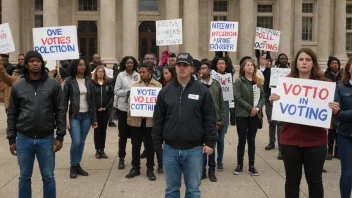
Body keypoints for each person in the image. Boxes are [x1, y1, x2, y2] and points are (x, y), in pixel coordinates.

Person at [269, 48, 340, 198]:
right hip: (290, 141)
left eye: (308, 60)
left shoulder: (324, 85)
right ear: (296, 63)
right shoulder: (286, 84)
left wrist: (335, 110)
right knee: (292, 181)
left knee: (315, 181)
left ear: (313, 64)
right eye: (301, 59)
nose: (304, 62)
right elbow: (280, 110)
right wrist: (274, 101)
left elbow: (331, 112)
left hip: (316, 141)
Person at [152, 52, 218, 198]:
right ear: (175, 67)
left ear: (192, 68)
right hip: (170, 149)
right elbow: (158, 120)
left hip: (194, 150)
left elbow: (209, 118)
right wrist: (157, 143)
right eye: (179, 65)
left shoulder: (202, 91)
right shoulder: (165, 91)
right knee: (171, 190)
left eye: (185, 65)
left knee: (193, 190)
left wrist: (210, 141)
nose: (181, 68)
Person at [6, 50, 66, 198]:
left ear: (42, 63)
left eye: (37, 61)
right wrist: (11, 138)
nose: (35, 63)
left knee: (48, 177)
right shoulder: (18, 86)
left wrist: (60, 135)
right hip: (24, 139)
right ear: (26, 64)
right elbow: (12, 114)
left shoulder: (52, 84)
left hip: (46, 138)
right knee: (24, 177)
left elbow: (60, 110)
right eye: (31, 61)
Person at [125, 63, 161, 181]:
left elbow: (160, 105)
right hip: (136, 121)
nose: (141, 74)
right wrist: (129, 118)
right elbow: (130, 103)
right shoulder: (135, 85)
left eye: (143, 72)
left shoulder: (157, 86)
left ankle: (150, 169)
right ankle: (135, 167)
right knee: (135, 145)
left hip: (150, 122)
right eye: (140, 72)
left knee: (150, 146)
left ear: (149, 72)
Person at [63, 58, 98, 179]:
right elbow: (63, 100)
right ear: (74, 67)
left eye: (84, 65)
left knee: (82, 142)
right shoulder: (69, 81)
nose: (82, 67)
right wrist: (63, 118)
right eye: (79, 65)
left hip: (87, 116)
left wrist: (94, 119)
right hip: (74, 116)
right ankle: (73, 165)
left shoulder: (89, 81)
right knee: (76, 141)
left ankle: (77, 164)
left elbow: (93, 101)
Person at [233, 58, 264, 176]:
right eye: (247, 65)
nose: (250, 67)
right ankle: (239, 165)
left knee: (251, 140)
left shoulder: (258, 81)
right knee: (242, 140)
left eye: (252, 65)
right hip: (242, 114)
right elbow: (237, 97)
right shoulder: (239, 81)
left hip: (255, 115)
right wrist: (250, 108)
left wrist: (257, 108)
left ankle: (252, 165)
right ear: (243, 68)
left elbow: (262, 98)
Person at [198, 61, 225, 182]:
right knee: (202, 146)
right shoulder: (196, 85)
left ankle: (212, 170)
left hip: (214, 120)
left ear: (210, 71)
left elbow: (221, 102)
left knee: (211, 145)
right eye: (201, 69)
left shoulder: (216, 84)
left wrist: (221, 118)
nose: (203, 71)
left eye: (205, 68)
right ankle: (202, 170)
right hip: (200, 120)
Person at [114, 56, 140, 169]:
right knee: (123, 135)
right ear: (124, 64)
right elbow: (116, 91)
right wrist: (128, 92)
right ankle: (121, 158)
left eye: (131, 63)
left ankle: (135, 160)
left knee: (135, 136)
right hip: (123, 109)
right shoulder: (120, 75)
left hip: (135, 109)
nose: (130, 64)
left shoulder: (138, 75)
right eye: (128, 63)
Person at [211, 56, 233, 170]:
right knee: (213, 138)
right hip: (214, 111)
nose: (221, 65)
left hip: (224, 109)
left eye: (223, 63)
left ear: (226, 66)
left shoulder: (229, 77)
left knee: (221, 138)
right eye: (219, 63)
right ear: (216, 66)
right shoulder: (212, 78)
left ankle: (219, 160)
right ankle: (212, 160)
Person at [335, 56, 352, 198]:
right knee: (347, 172)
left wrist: (346, 113)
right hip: (345, 135)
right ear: (349, 67)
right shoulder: (340, 87)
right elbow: (338, 114)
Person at [92, 66, 114, 159]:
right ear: (96, 73)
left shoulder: (108, 83)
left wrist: (105, 108)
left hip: (104, 111)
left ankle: (102, 149)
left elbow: (111, 97)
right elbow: (91, 98)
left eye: (102, 72)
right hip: (95, 112)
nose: (101, 73)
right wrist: (95, 108)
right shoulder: (92, 84)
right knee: (97, 131)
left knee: (103, 131)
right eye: (99, 71)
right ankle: (97, 150)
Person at [324, 56, 342, 160]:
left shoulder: (343, 75)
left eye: (336, 63)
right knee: (331, 131)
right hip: (329, 105)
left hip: (340, 105)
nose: (335, 65)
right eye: (332, 63)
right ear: (329, 65)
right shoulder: (326, 75)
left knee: (339, 130)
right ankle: (329, 151)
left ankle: (337, 152)